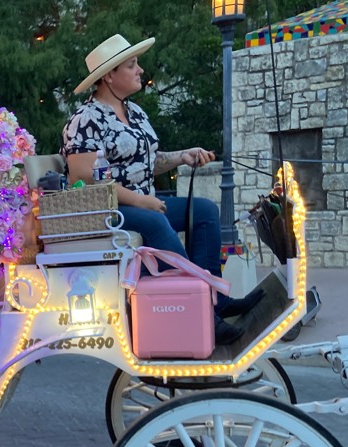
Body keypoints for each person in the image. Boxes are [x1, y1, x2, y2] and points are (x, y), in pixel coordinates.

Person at [61, 34, 263, 345]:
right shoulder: (85, 120)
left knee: (206, 211)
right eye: (132, 65)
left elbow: (149, 162)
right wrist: (140, 200)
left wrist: (183, 156)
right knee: (155, 221)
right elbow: (85, 179)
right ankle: (202, 313)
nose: (140, 70)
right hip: (109, 211)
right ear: (109, 76)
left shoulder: (136, 113)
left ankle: (216, 303)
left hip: (144, 202)